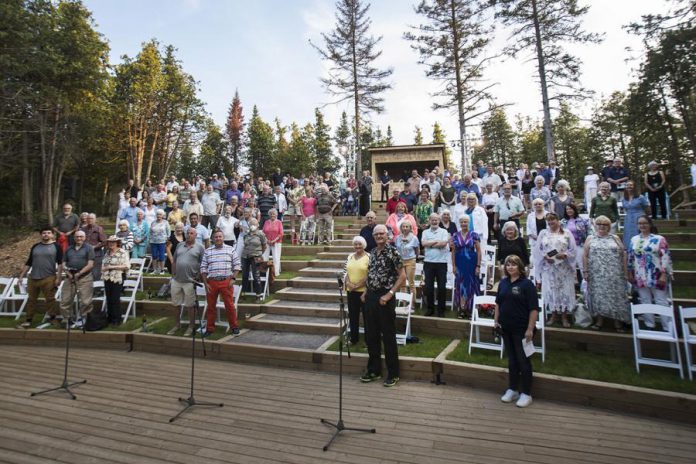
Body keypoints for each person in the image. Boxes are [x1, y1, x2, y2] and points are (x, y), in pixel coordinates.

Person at [359, 225, 406, 387]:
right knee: (371, 336)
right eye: (376, 234)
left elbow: (402, 277)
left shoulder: (393, 252)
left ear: (387, 235)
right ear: (373, 236)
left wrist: (389, 294)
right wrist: (365, 291)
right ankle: (374, 370)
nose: (379, 236)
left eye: (382, 234)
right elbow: (371, 273)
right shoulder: (372, 252)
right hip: (371, 297)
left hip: (385, 297)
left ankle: (393, 373)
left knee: (388, 336)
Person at [495, 254, 539, 409]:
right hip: (506, 327)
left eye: (513, 264)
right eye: (508, 265)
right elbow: (498, 303)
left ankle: (526, 393)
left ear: (519, 267)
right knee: (512, 359)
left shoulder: (527, 285)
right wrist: (496, 321)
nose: (510, 267)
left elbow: (534, 309)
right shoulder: (503, 283)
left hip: (521, 329)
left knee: (523, 360)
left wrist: (529, 329)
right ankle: (512, 389)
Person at [583, 215, 630, 332]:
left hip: (615, 274)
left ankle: (617, 322)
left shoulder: (615, 238)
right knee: (598, 297)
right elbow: (585, 255)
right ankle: (599, 320)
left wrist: (625, 272)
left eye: (605, 224)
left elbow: (623, 254)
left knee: (616, 297)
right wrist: (585, 271)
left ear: (609, 226)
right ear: (595, 225)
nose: (601, 226)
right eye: (599, 224)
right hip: (597, 274)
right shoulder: (590, 238)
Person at [628, 215, 673, 330]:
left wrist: (664, 274)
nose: (642, 225)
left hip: (657, 274)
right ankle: (650, 324)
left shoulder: (659, 239)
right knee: (644, 299)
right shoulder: (634, 239)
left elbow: (665, 257)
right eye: (640, 223)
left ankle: (667, 326)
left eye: (645, 223)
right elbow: (630, 258)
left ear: (650, 224)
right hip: (640, 275)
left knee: (661, 300)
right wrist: (630, 272)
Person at [533, 212, 576, 328]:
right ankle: (553, 315)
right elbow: (538, 250)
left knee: (563, 290)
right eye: (549, 220)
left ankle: (564, 316)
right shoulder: (544, 233)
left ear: (558, 220)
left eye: (553, 219)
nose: (551, 222)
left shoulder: (567, 233)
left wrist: (565, 254)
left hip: (563, 268)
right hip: (549, 268)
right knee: (551, 291)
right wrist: (545, 256)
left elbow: (573, 249)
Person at [16, 227, 63, 329]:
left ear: (52, 235)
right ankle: (28, 320)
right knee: (31, 300)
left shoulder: (57, 246)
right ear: (41, 235)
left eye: (48, 233)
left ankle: (53, 318)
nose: (46, 234)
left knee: (50, 299)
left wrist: (58, 277)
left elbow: (60, 263)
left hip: (49, 277)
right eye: (44, 233)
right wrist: (21, 276)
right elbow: (29, 262)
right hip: (33, 277)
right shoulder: (35, 246)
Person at [200, 230, 242, 336]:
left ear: (223, 238)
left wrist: (233, 279)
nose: (218, 238)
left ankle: (234, 327)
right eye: (216, 237)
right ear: (213, 239)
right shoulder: (208, 251)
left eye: (220, 236)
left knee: (230, 306)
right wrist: (206, 283)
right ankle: (210, 328)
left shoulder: (230, 249)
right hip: (212, 282)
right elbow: (203, 268)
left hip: (226, 281)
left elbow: (237, 265)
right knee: (211, 306)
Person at [167, 227, 204, 336]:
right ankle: (177, 325)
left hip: (190, 281)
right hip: (177, 280)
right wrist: (173, 275)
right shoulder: (179, 245)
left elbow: (203, 264)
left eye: (191, 233)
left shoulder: (200, 247)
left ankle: (191, 326)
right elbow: (174, 261)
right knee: (175, 304)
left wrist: (198, 276)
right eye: (187, 233)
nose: (189, 235)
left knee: (190, 305)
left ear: (195, 235)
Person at [451, 215, 481, 318]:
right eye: (462, 222)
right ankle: (461, 308)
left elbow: (479, 251)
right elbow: (453, 252)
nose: (464, 224)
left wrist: (478, 266)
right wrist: (454, 266)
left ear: (469, 223)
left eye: (466, 222)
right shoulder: (455, 235)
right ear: (459, 223)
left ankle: (470, 308)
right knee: (460, 285)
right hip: (460, 263)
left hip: (471, 263)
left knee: (470, 285)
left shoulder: (474, 235)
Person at [421, 213, 450, 317]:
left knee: (442, 287)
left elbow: (443, 244)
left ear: (439, 221)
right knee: (429, 287)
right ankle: (430, 309)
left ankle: (441, 310)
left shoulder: (444, 231)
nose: (434, 222)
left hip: (441, 263)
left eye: (436, 220)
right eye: (432, 220)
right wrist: (436, 242)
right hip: (428, 262)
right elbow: (423, 244)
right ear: (429, 221)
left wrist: (430, 244)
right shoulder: (424, 232)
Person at [344, 236, 370, 344]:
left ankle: (368, 341)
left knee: (367, 317)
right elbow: (346, 272)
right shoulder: (350, 256)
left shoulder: (369, 257)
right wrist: (348, 283)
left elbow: (370, 275)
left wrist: (358, 285)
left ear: (364, 245)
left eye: (360, 244)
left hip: (364, 292)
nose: (357, 246)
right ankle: (354, 339)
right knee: (353, 316)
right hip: (351, 291)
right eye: (356, 244)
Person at [102, 235, 130, 326]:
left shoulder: (123, 252)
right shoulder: (107, 252)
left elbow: (126, 266)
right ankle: (109, 318)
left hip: (118, 277)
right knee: (109, 298)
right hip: (107, 277)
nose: (111, 244)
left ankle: (117, 319)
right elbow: (104, 264)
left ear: (117, 243)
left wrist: (112, 267)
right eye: (110, 242)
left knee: (115, 298)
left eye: (113, 242)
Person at [241, 218, 267, 302]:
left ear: (257, 225)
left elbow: (264, 246)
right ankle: (243, 294)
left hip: (256, 256)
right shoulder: (246, 234)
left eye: (254, 224)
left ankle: (258, 295)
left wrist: (259, 253)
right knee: (244, 275)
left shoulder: (261, 234)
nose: (252, 225)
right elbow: (244, 244)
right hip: (245, 256)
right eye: (251, 223)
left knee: (256, 276)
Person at [561, 203, 590, 280]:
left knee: (582, 265)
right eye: (567, 209)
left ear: (574, 210)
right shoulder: (562, 221)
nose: (569, 210)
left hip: (579, 245)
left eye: (570, 209)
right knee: (569, 266)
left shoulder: (582, 220)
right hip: (567, 248)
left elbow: (589, 232)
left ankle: (584, 284)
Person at [620, 180, 650, 249]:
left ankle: (641, 248)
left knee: (639, 232)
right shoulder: (624, 199)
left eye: (631, 185)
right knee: (628, 234)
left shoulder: (640, 197)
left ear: (634, 187)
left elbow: (647, 208)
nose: (629, 186)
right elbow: (626, 209)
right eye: (627, 185)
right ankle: (628, 249)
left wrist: (646, 218)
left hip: (639, 218)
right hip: (628, 219)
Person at [81, 213, 107, 280]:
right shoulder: (83, 229)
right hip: (84, 254)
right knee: (85, 273)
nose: (90, 220)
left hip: (96, 255)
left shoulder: (99, 229)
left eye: (92, 218)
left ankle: (97, 289)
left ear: (95, 220)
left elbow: (104, 242)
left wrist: (94, 247)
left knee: (96, 274)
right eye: (88, 218)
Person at [526, 198, 548, 268]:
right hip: (534, 240)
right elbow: (528, 228)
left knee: (547, 257)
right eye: (535, 204)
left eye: (539, 204)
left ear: (543, 205)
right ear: (533, 206)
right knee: (534, 259)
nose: (538, 205)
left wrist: (544, 237)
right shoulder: (530, 216)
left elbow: (551, 227)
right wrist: (535, 237)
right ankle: (534, 275)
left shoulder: (548, 214)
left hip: (547, 240)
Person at [262, 209, 283, 276]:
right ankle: (264, 271)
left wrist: (274, 240)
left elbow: (281, 233)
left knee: (276, 257)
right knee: (264, 256)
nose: (272, 215)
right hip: (267, 242)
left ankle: (275, 272)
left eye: (274, 214)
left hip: (276, 242)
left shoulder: (279, 222)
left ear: (276, 215)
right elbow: (263, 232)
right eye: (271, 214)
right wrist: (267, 240)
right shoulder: (266, 222)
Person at [149, 210, 171, 275]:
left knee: (161, 256)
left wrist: (167, 238)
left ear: (162, 215)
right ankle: (155, 270)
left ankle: (162, 270)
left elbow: (168, 231)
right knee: (154, 256)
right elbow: (150, 232)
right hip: (153, 241)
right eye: (158, 214)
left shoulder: (165, 222)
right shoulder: (153, 222)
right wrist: (150, 239)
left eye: (160, 214)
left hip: (162, 241)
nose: (159, 216)